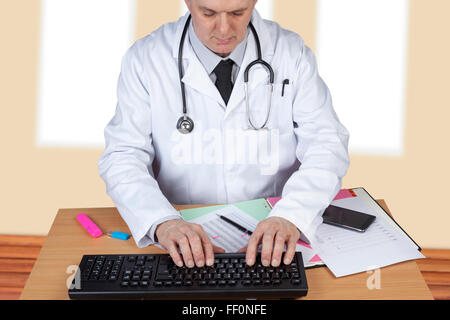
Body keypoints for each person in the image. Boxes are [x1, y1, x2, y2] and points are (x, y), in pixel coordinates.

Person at [98, 0, 350, 269]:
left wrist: (292, 215)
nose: (224, 28)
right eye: (208, 13)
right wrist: (162, 221)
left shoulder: (290, 52)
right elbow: (123, 155)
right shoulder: (147, 58)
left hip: (272, 225)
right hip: (183, 229)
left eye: (237, 13)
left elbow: (326, 144)